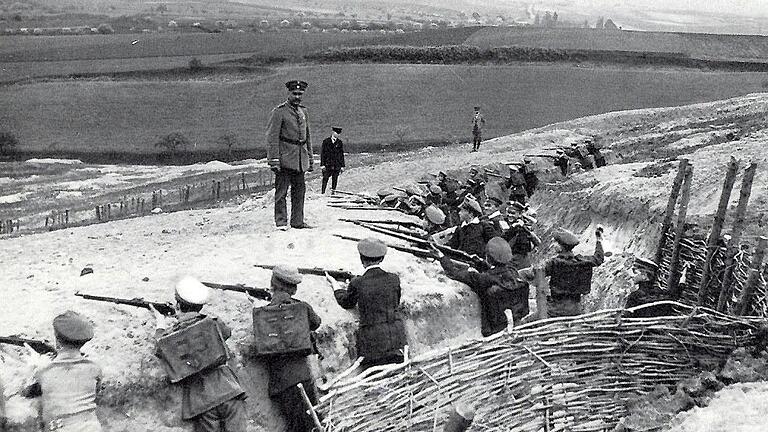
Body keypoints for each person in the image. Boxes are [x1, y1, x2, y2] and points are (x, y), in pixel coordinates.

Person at [151, 277, 247, 432]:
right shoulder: (214, 322)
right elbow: (226, 333)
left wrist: (160, 325)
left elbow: (160, 348)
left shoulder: (170, 335)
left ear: (177, 304)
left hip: (202, 401)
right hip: (230, 391)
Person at [257, 265, 322, 432]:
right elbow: (316, 322)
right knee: (313, 423)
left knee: (295, 426)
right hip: (302, 376)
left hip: (280, 383)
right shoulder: (302, 307)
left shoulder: (262, 313)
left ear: (273, 285)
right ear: (293, 288)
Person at [331, 238, 407, 369]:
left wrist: (335, 286)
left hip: (373, 341)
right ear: (382, 259)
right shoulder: (394, 279)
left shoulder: (357, 282)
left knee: (373, 374)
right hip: (396, 337)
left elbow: (346, 302)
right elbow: (396, 301)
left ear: (361, 259)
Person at [22, 311, 104, 432]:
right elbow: (96, 392)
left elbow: (26, 393)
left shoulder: (43, 371)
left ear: (57, 340)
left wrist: (31, 366)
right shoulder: (94, 368)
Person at [433, 237, 529, 336]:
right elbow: (498, 270)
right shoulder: (513, 272)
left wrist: (441, 257)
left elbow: (453, 273)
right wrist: (479, 262)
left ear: (488, 258)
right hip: (515, 321)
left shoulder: (482, 279)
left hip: (494, 330)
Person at [266, 80, 314, 230]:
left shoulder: (304, 111)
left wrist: (310, 159)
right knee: (281, 192)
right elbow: (272, 137)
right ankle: (281, 222)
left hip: (300, 159)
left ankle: (297, 221)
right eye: (295, 94)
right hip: (285, 158)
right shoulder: (279, 112)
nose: (298, 97)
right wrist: (274, 160)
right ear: (288, 93)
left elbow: (308, 137)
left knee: (299, 192)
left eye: (300, 94)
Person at [543, 227, 605, 317]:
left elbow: (534, 273)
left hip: (555, 310)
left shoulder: (554, 263)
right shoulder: (581, 261)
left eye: (555, 242)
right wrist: (599, 241)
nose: (552, 245)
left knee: (526, 322)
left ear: (560, 246)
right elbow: (598, 258)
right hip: (575, 309)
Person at [320, 126, 345, 194]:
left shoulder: (339, 142)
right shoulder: (326, 141)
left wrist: (342, 166)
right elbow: (323, 153)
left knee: (335, 179)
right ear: (333, 132)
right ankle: (323, 192)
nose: (338, 134)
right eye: (337, 133)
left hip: (336, 164)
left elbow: (341, 155)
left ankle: (333, 191)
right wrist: (322, 165)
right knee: (325, 178)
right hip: (328, 164)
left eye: (339, 133)